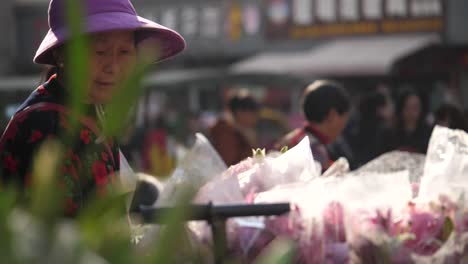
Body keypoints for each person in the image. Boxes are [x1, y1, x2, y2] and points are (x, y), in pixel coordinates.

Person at [0, 0, 185, 216]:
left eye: (124, 52)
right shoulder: (46, 126)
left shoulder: (94, 112)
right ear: (61, 55)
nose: (113, 67)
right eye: (100, 51)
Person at [275, 80, 351, 171]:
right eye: (344, 119)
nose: (343, 126)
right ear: (332, 115)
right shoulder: (313, 148)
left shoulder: (293, 138)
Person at [209, 89, 260, 166]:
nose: (256, 117)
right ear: (240, 112)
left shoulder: (243, 131)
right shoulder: (225, 132)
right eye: (253, 112)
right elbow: (227, 164)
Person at [380, 89, 431, 154]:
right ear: (401, 108)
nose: (411, 112)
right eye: (407, 107)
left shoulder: (428, 134)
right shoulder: (388, 133)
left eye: (415, 108)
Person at [350, 91, 394, 166]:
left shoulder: (359, 126)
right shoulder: (383, 130)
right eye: (388, 105)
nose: (391, 109)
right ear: (379, 109)